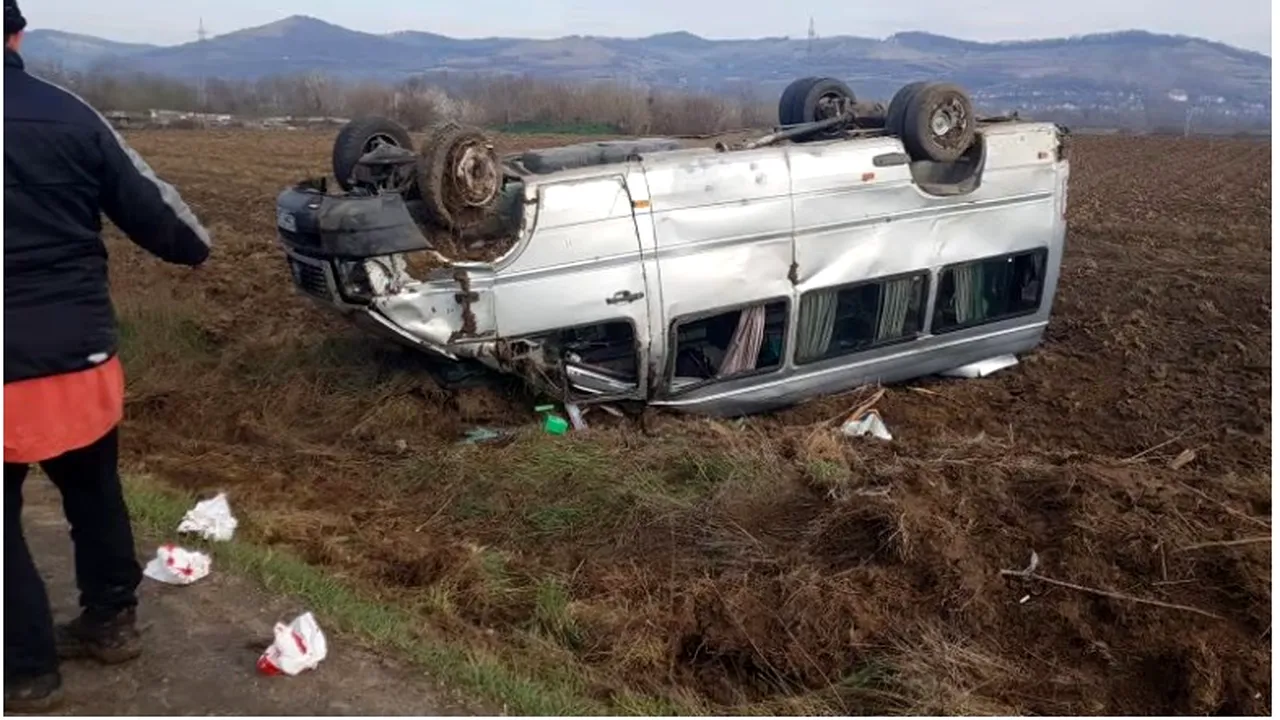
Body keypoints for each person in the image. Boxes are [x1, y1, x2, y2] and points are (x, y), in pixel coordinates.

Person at [4, 0, 213, 711]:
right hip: (78, 356)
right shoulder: (71, 113)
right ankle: (111, 623)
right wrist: (196, 249)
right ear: (17, 35)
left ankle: (28, 670)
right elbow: (172, 224)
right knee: (93, 493)